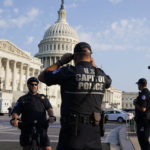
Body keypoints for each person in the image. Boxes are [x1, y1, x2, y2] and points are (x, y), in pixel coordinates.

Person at [38, 42, 111, 150]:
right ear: (91, 57)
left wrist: (61, 61)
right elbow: (108, 82)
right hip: (94, 135)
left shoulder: (68, 71)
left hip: (72, 135)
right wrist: (93, 66)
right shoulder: (100, 74)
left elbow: (42, 77)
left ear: (74, 57)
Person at [11, 77, 55, 150]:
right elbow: (16, 111)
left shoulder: (43, 97)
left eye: (36, 84)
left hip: (41, 126)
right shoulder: (22, 99)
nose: (34, 86)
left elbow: (49, 108)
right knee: (26, 147)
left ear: (37, 85)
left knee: (47, 148)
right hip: (27, 126)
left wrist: (52, 116)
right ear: (28, 85)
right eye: (32, 84)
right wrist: (15, 119)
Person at [133, 78, 150, 150]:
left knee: (143, 142)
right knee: (144, 141)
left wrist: (135, 104)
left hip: (143, 122)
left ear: (141, 85)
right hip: (144, 121)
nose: (137, 86)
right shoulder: (146, 92)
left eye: (138, 84)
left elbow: (143, 109)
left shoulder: (144, 94)